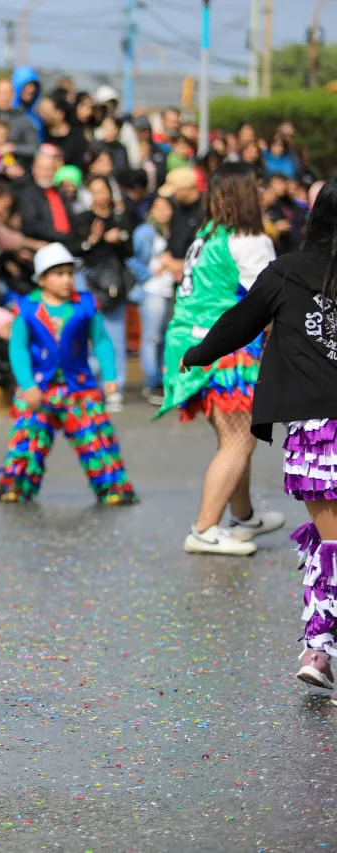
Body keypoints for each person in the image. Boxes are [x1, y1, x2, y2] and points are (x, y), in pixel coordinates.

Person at [176, 183, 337, 694]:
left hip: (318, 431)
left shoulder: (287, 271)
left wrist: (199, 353)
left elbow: (241, 323)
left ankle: (321, 646)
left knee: (331, 542)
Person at [157, 163, 283, 556]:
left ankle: (243, 517)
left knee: (236, 437)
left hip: (189, 340)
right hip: (224, 347)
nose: (262, 193)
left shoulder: (209, 233)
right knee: (238, 440)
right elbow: (270, 301)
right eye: (256, 187)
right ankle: (205, 528)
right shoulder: (249, 239)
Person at [0, 243, 138, 504]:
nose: (67, 280)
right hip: (39, 388)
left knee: (96, 438)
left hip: (79, 387)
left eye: (70, 273)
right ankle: (16, 485)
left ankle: (112, 487)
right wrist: (27, 385)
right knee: (28, 440)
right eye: (58, 274)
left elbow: (102, 341)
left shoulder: (85, 305)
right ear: (42, 279)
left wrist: (110, 377)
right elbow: (18, 349)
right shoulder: (26, 308)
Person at [73, 175, 133, 411]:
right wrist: (93, 239)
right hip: (88, 282)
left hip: (115, 282)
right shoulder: (83, 219)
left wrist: (119, 239)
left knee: (115, 334)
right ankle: (91, 385)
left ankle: (114, 386)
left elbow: (129, 250)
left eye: (103, 190)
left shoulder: (120, 217)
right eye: (94, 190)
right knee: (88, 334)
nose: (100, 195)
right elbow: (75, 248)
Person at [130, 195, 175, 405]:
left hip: (168, 290)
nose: (163, 212)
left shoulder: (169, 230)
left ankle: (163, 380)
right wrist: (149, 274)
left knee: (165, 337)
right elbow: (132, 258)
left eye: (166, 208)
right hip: (152, 290)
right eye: (158, 208)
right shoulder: (145, 231)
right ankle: (152, 382)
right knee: (152, 337)